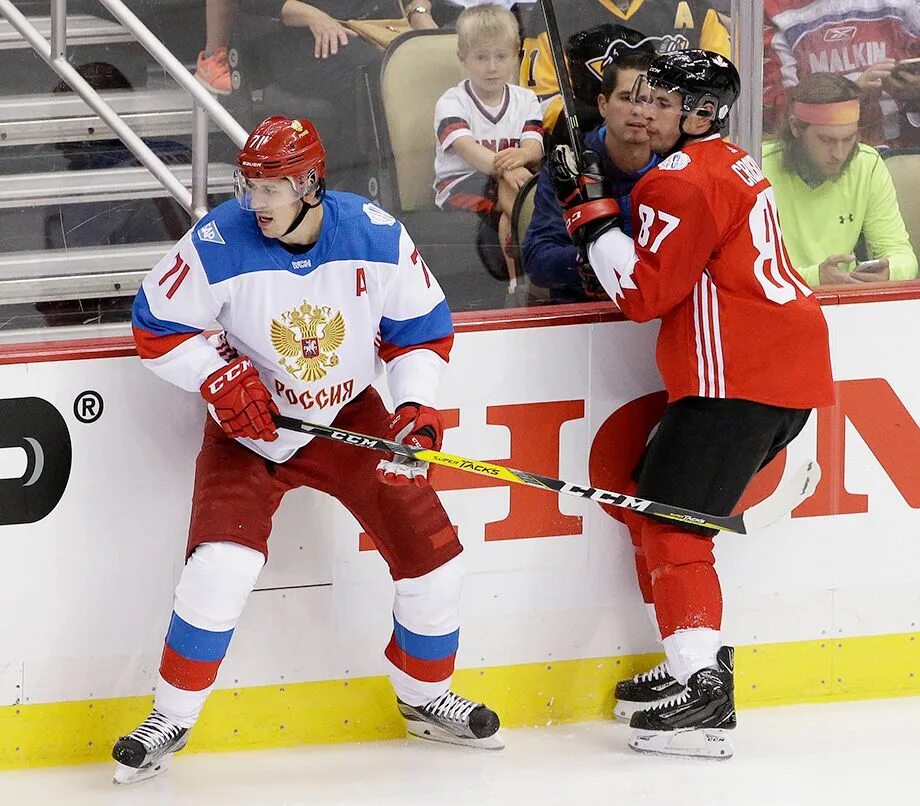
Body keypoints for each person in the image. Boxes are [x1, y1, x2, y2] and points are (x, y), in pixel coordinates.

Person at [113, 115, 502, 785]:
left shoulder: (375, 235)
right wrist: (215, 375)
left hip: (351, 416)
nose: (254, 203)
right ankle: (169, 717)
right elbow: (154, 326)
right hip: (250, 429)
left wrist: (414, 406)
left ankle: (424, 697)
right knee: (221, 568)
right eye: (249, 187)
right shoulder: (218, 241)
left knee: (436, 563)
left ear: (311, 185)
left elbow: (418, 330)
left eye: (270, 189)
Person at [550, 51, 835, 758]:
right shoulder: (730, 161)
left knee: (673, 527)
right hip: (774, 370)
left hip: (736, 379)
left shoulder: (677, 181)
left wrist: (592, 217)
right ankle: (689, 661)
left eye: (662, 101)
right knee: (660, 511)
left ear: (702, 113)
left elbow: (644, 294)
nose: (645, 111)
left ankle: (702, 688)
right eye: (642, 96)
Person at [523, 44, 659, 303]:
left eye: (649, 100)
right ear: (603, 104)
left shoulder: (680, 165)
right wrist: (586, 261)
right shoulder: (567, 164)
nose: (638, 111)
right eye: (626, 98)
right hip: (580, 313)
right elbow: (537, 260)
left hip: (657, 312)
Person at [763, 73, 918, 286]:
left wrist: (890, 271)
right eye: (826, 139)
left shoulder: (866, 164)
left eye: (848, 139)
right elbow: (740, 273)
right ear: (795, 127)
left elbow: (902, 255)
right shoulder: (757, 167)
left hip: (845, 297)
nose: (839, 154)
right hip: (774, 300)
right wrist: (815, 277)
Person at [433, 4, 543, 294]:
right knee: (514, 193)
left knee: (514, 205)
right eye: (481, 57)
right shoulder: (452, 102)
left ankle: (517, 285)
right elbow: (469, 150)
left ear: (517, 55)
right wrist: (508, 169)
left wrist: (522, 156)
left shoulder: (526, 99)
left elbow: (534, 147)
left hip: (512, 181)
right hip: (460, 185)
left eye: (501, 56)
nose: (492, 67)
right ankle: (523, 281)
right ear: (463, 57)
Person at [520, 0, 731, 132]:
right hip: (592, 156)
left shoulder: (695, 7)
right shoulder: (554, 9)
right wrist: (613, 124)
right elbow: (543, 100)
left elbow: (722, 90)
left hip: (679, 150)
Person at [763, 0, 920, 147]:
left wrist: (914, 94)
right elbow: (782, 116)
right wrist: (850, 96)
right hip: (820, 155)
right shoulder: (773, 10)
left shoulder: (904, 4)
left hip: (902, 150)